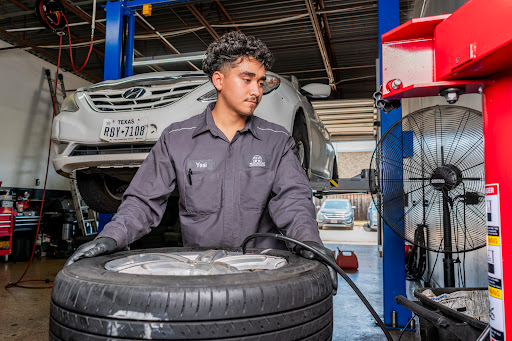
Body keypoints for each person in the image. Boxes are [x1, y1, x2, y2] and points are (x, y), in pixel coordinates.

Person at [64, 31, 336, 293]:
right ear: (219, 80)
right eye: (247, 79)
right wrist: (111, 238)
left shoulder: (276, 140)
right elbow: (143, 201)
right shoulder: (177, 138)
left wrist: (309, 242)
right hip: (199, 272)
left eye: (261, 82)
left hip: (263, 270)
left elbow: (294, 201)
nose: (257, 91)